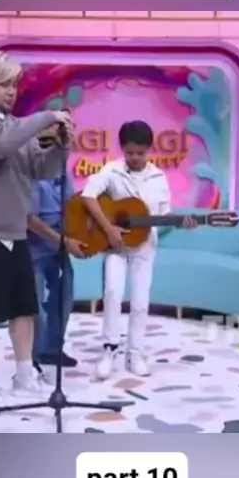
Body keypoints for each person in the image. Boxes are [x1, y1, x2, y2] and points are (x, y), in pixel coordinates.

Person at [0, 51, 75, 410]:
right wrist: (46, 117)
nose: (11, 91)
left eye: (14, 85)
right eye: (3, 84)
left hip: (15, 232)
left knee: (24, 309)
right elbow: (1, 143)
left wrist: (62, 147)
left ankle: (24, 375)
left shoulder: (15, 126)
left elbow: (41, 169)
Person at [81, 120, 196, 381]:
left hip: (145, 246)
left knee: (141, 302)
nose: (135, 157)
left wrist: (181, 222)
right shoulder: (111, 171)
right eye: (130, 152)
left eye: (140, 153)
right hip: (116, 246)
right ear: (122, 149)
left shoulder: (158, 177)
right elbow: (88, 196)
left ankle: (136, 353)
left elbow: (164, 214)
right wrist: (108, 228)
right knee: (112, 293)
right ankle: (109, 350)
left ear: (149, 150)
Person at [27, 168, 87, 374]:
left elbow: (72, 206)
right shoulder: (31, 174)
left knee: (64, 296)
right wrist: (63, 241)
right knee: (35, 307)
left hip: (59, 249)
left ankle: (53, 349)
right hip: (34, 250)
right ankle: (31, 357)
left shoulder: (63, 171)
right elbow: (30, 220)